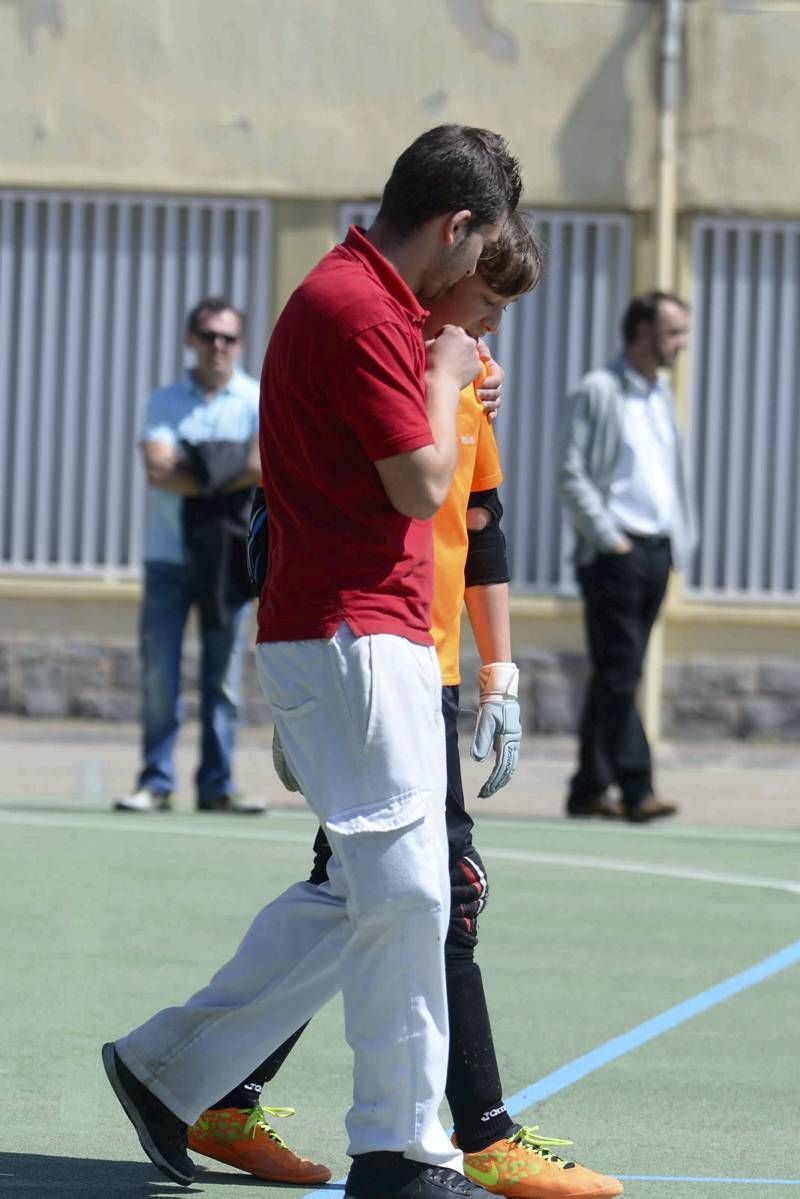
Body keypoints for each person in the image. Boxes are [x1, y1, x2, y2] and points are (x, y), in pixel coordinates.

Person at [102, 124, 523, 1199]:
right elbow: (420, 486)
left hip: (347, 630)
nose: (471, 282)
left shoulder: (366, 301)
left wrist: (442, 369)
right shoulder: (360, 307)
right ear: (454, 224)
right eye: (477, 253)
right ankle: (400, 1149)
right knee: (410, 893)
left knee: (369, 895)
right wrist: (443, 368)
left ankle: (169, 1067)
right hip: (351, 631)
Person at [187, 215, 623, 1199]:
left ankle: (219, 1086)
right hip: (367, 662)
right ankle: (478, 1131)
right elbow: (285, 514)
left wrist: (500, 669)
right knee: (436, 892)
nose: (492, 334)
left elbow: (483, 528)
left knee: (364, 895)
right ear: (440, 280)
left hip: (425, 667)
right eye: (484, 306)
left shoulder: (466, 383)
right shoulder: (378, 363)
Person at [115, 296, 264, 815]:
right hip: (167, 558)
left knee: (222, 680)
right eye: (208, 335)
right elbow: (158, 468)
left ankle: (216, 785)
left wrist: (194, 464)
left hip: (229, 561)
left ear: (239, 343)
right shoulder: (164, 401)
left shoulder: (256, 399)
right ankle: (156, 781)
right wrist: (229, 464)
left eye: (227, 337)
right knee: (159, 674)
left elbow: (262, 463)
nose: (217, 346)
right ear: (191, 339)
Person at [559, 290, 696, 823]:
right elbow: (570, 473)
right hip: (614, 552)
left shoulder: (661, 395)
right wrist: (610, 537)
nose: (681, 344)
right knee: (620, 673)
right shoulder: (598, 391)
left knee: (616, 671)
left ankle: (588, 787)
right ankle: (637, 787)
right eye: (673, 333)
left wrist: (677, 542)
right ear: (641, 332)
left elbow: (669, 480)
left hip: (657, 554)